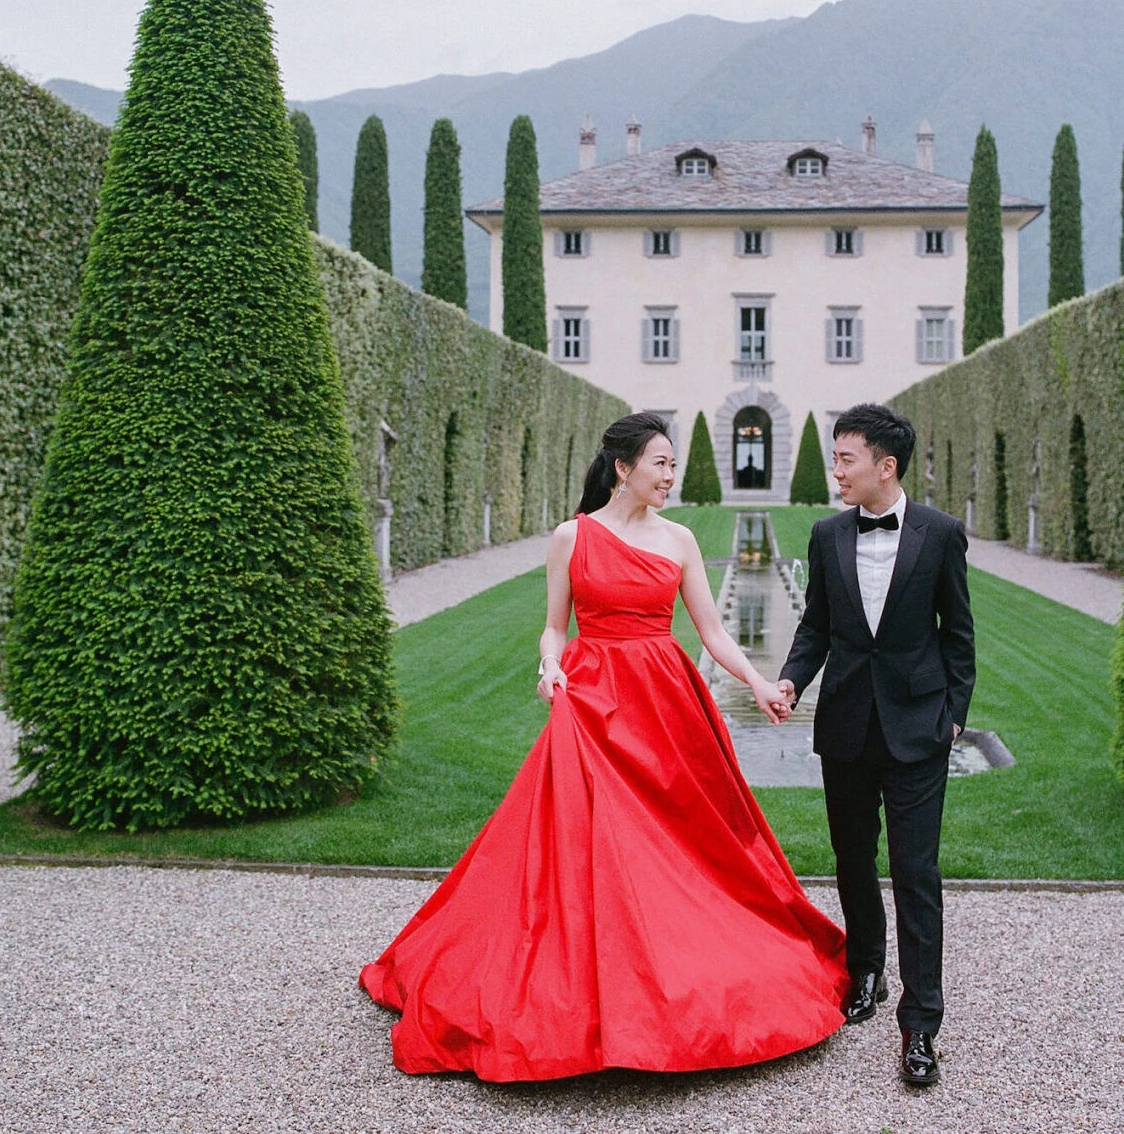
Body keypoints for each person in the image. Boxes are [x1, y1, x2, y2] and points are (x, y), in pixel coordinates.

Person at [359, 411, 848, 1081]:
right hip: (591, 697)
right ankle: (595, 982)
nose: (671, 475)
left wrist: (760, 681)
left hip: (663, 699)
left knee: (681, 835)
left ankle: (676, 963)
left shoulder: (678, 540)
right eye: (661, 464)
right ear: (623, 468)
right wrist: (548, 666)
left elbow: (710, 632)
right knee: (591, 837)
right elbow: (553, 627)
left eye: (675, 464)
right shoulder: (571, 536)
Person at [775, 403, 976, 1087]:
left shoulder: (941, 535)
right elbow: (816, 629)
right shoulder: (826, 534)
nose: (835, 470)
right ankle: (866, 970)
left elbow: (958, 636)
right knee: (852, 859)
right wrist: (791, 683)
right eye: (833, 457)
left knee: (916, 873)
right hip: (847, 726)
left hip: (918, 728)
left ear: (884, 467)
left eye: (844, 459)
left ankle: (921, 1026)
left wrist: (952, 714)